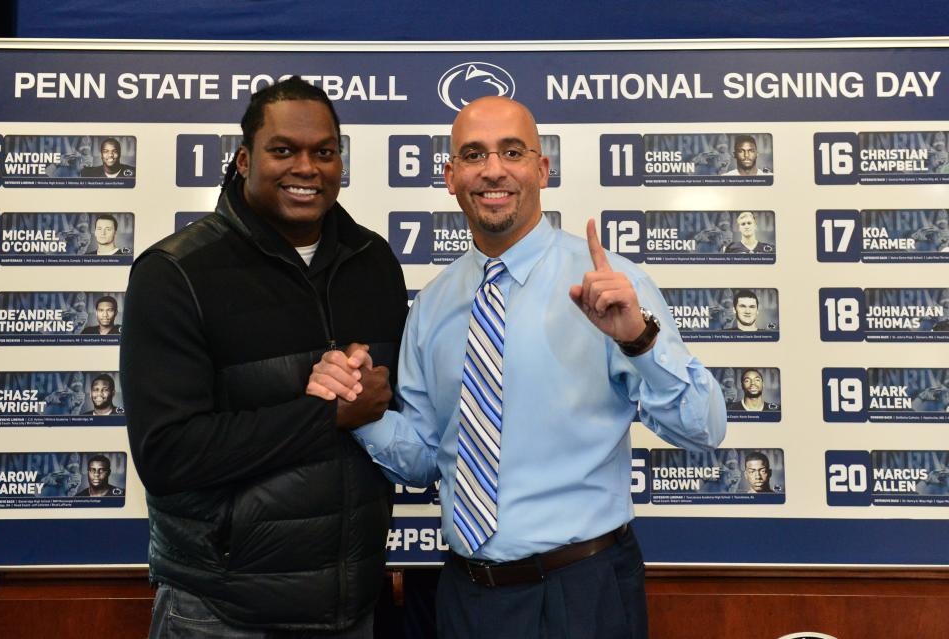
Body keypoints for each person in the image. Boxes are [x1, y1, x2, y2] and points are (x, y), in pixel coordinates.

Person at [308, 96, 726, 639]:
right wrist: (362, 410)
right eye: (474, 155)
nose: (494, 169)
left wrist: (638, 341)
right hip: (464, 597)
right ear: (451, 176)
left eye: (512, 151)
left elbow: (704, 429)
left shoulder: (611, 287)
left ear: (541, 169)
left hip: (583, 593)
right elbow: (423, 458)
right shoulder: (433, 305)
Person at [120, 77, 408, 637]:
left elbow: (395, 409)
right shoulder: (175, 274)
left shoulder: (373, 261)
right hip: (219, 612)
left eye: (324, 152)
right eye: (284, 150)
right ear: (244, 159)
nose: (307, 167)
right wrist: (326, 416)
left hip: (351, 607)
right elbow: (168, 455)